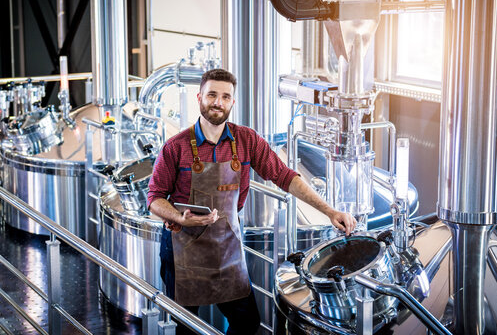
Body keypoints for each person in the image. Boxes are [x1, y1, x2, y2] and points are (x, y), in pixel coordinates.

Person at [147, 69, 356, 334]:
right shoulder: (175, 147)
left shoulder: (247, 140)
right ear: (199, 97)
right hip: (182, 249)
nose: (218, 102)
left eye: (225, 96)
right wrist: (179, 217)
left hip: (226, 248)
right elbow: (154, 198)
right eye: (212, 94)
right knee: (188, 327)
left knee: (246, 322)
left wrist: (329, 211)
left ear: (232, 102)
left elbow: (284, 176)